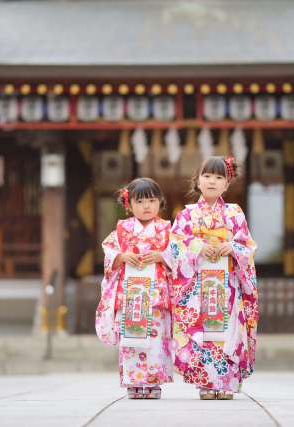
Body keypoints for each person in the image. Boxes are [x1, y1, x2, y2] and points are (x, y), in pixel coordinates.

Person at [169, 156, 258, 400]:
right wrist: (197, 246)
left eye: (219, 177)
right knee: (205, 331)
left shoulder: (234, 213)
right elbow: (175, 244)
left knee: (228, 330)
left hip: (227, 285)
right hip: (197, 286)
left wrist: (234, 248)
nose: (212, 181)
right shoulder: (185, 216)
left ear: (227, 185)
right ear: (197, 181)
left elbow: (247, 245)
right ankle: (207, 384)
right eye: (207, 176)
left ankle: (227, 383)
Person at [95, 178, 173, 399]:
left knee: (156, 338)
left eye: (151, 200)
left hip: (156, 295)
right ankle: (133, 382)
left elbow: (179, 256)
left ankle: (154, 382)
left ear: (160, 202)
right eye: (140, 201)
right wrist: (121, 256)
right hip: (131, 295)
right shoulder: (122, 230)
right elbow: (109, 253)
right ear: (129, 205)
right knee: (132, 337)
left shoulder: (167, 229)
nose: (146, 205)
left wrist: (162, 256)